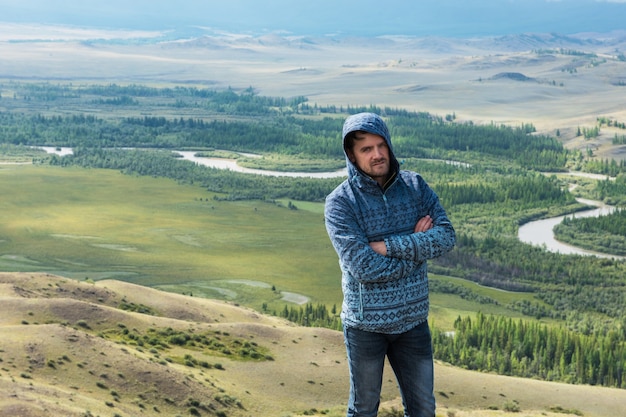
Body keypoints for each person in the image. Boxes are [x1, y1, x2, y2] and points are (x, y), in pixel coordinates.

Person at [324, 112, 456, 417]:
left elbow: (446, 236)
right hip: (366, 326)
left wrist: (388, 246)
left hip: (413, 322)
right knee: (364, 409)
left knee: (423, 409)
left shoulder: (414, 186)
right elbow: (364, 267)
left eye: (381, 145)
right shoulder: (341, 202)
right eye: (366, 149)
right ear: (351, 155)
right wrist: (417, 248)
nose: (377, 154)